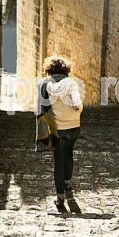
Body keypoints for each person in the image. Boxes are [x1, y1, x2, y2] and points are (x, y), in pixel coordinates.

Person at [36, 55, 84, 208]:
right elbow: (77, 104)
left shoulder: (44, 84)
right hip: (74, 127)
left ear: (49, 70)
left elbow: (41, 108)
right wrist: (77, 109)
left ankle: (60, 196)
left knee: (59, 160)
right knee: (69, 153)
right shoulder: (72, 83)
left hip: (58, 129)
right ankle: (68, 184)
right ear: (66, 70)